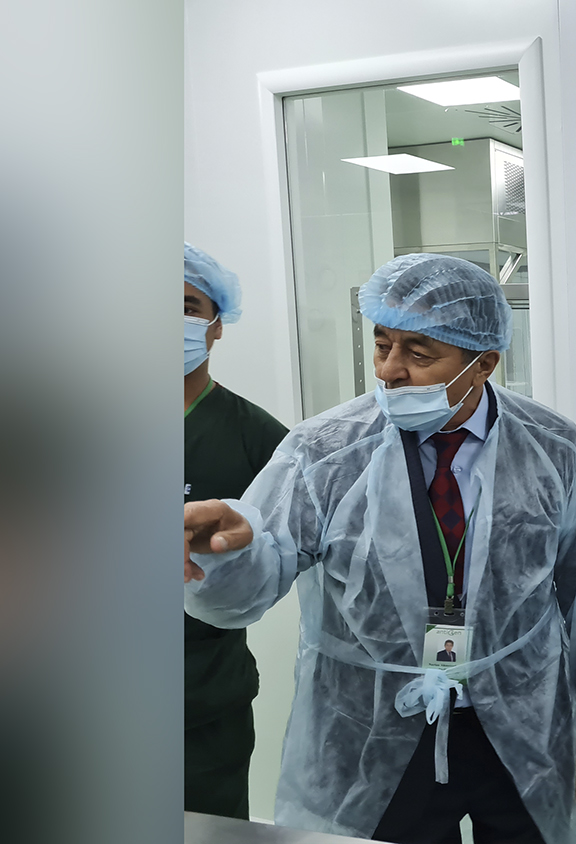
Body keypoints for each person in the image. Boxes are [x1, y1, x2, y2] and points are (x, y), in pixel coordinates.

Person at [183, 254, 576, 844]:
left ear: (483, 362)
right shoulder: (326, 449)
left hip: (518, 722)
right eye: (382, 345)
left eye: (419, 353)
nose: (390, 370)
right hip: (373, 731)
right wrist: (224, 555)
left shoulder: (550, 445)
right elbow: (250, 589)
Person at [183, 243, 289, 820]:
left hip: (202, 698)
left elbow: (296, 550)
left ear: (216, 323)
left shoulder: (259, 437)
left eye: (186, 307)